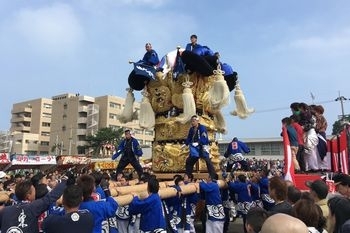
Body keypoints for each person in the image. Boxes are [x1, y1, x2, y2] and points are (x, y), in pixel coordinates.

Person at [0, 178, 68, 233]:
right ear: (28, 196)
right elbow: (51, 197)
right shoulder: (32, 207)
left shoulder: (5, 210)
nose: (35, 193)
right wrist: (64, 182)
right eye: (34, 191)